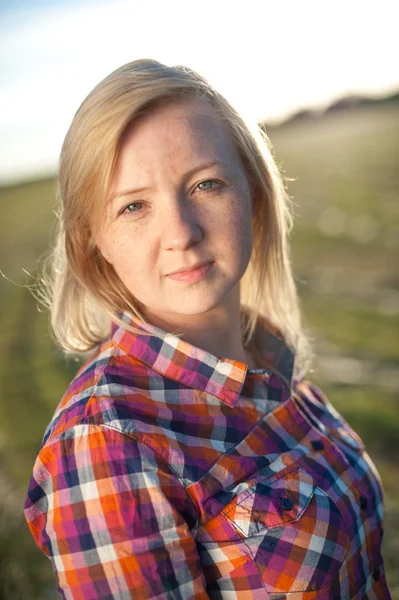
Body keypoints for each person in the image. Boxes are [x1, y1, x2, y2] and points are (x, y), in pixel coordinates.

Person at [23, 59, 391, 599]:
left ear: (254, 191)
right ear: (93, 240)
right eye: (134, 206)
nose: (181, 232)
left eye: (205, 184)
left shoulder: (267, 359)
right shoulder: (107, 444)